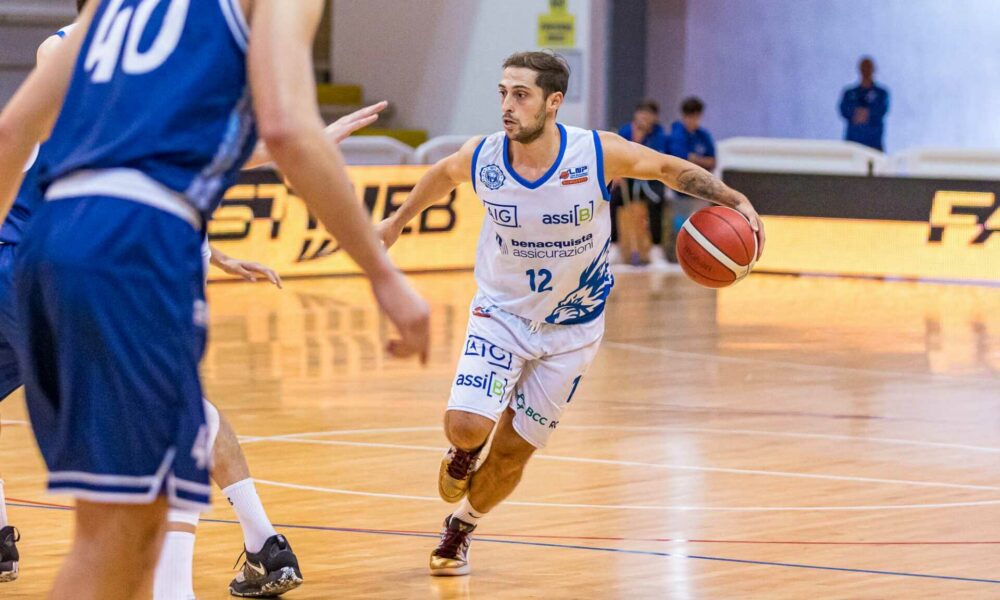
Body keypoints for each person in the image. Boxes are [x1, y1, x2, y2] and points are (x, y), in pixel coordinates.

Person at [0, 2, 430, 599]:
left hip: (43, 245)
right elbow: (286, 130)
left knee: (115, 531)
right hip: (130, 253)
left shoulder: (114, 15)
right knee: (135, 517)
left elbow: (14, 133)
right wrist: (382, 273)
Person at [376, 50, 762, 576]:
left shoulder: (595, 153)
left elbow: (669, 169)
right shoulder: (484, 156)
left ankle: (461, 525)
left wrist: (734, 199)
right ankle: (464, 452)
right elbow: (442, 174)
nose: (507, 105)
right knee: (466, 426)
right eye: (503, 93)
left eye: (521, 95)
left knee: (512, 454)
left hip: (573, 331)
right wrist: (396, 222)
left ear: (553, 102)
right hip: (502, 313)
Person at [612, 99, 670, 268]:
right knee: (612, 200)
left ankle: (656, 250)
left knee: (656, 202)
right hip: (628, 179)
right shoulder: (625, 131)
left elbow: (656, 159)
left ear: (655, 118)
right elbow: (617, 155)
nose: (644, 118)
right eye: (641, 114)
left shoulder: (660, 135)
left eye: (648, 115)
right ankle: (613, 247)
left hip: (650, 180)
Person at [667, 96, 717, 261]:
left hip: (700, 191)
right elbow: (679, 160)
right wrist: (699, 160)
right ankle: (675, 257)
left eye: (696, 117)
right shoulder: (676, 134)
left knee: (702, 227)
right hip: (680, 190)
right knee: (678, 225)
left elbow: (712, 161)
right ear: (684, 116)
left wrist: (693, 158)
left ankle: (700, 257)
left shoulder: (703, 135)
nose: (693, 121)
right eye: (690, 117)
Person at [839, 57, 889, 151]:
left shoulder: (881, 94)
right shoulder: (849, 93)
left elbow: (881, 110)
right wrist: (857, 113)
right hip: (853, 145)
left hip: (874, 145)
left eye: (868, 68)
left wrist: (867, 114)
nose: (866, 71)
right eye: (864, 68)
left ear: (873, 69)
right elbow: (844, 110)